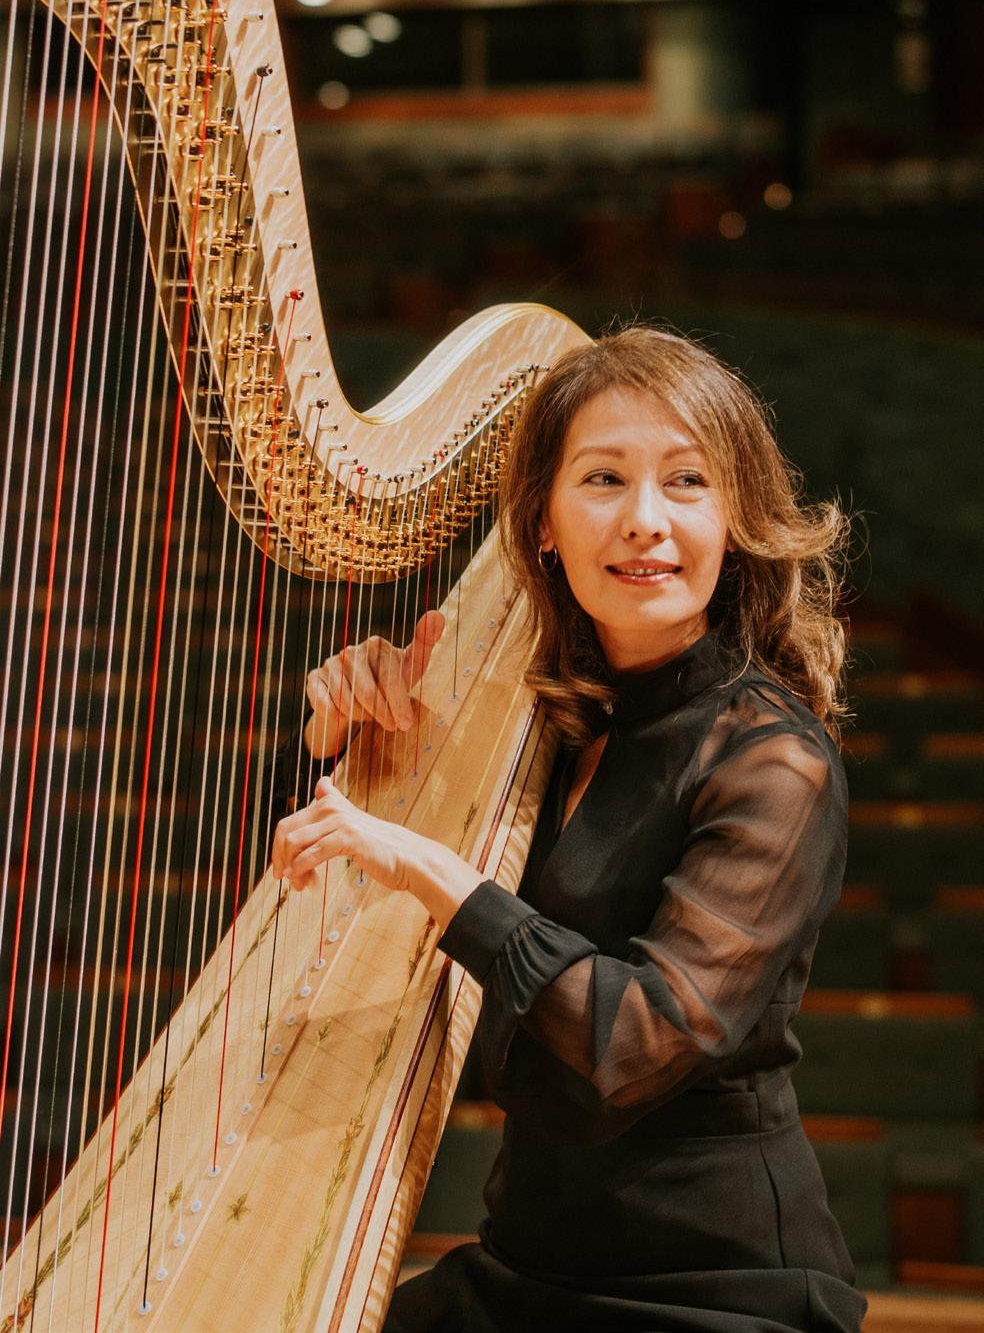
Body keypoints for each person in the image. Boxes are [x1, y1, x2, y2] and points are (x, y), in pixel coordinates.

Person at [272, 326, 868, 1333]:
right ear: (543, 524)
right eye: (603, 479)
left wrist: (440, 877)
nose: (646, 521)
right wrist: (345, 731)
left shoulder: (775, 762)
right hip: (528, 1266)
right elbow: (327, 894)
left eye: (687, 482)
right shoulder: (539, 717)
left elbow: (632, 1047)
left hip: (712, 1291)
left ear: (733, 521)